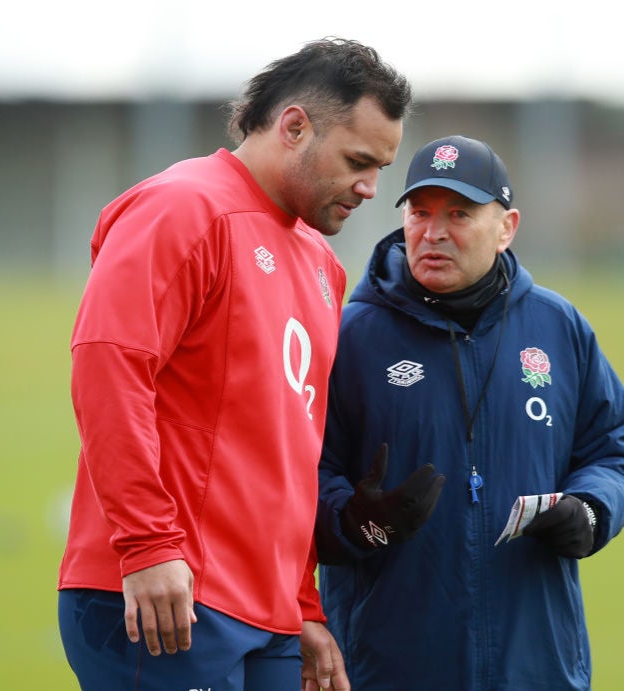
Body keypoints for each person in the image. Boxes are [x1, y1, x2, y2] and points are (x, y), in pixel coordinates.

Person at [56, 37, 412, 691]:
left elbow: (289, 451)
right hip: (167, 595)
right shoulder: (181, 208)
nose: (370, 188)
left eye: (381, 167)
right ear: (295, 126)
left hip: (267, 612)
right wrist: (148, 544)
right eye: (358, 161)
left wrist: (300, 601)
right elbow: (109, 365)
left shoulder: (320, 263)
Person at [314, 135, 624, 690]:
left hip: (537, 666)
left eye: (460, 214)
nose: (433, 232)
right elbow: (292, 472)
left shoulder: (558, 327)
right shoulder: (350, 338)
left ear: (506, 226)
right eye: (420, 213)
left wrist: (591, 508)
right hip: (388, 667)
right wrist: (354, 520)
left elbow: (612, 447)